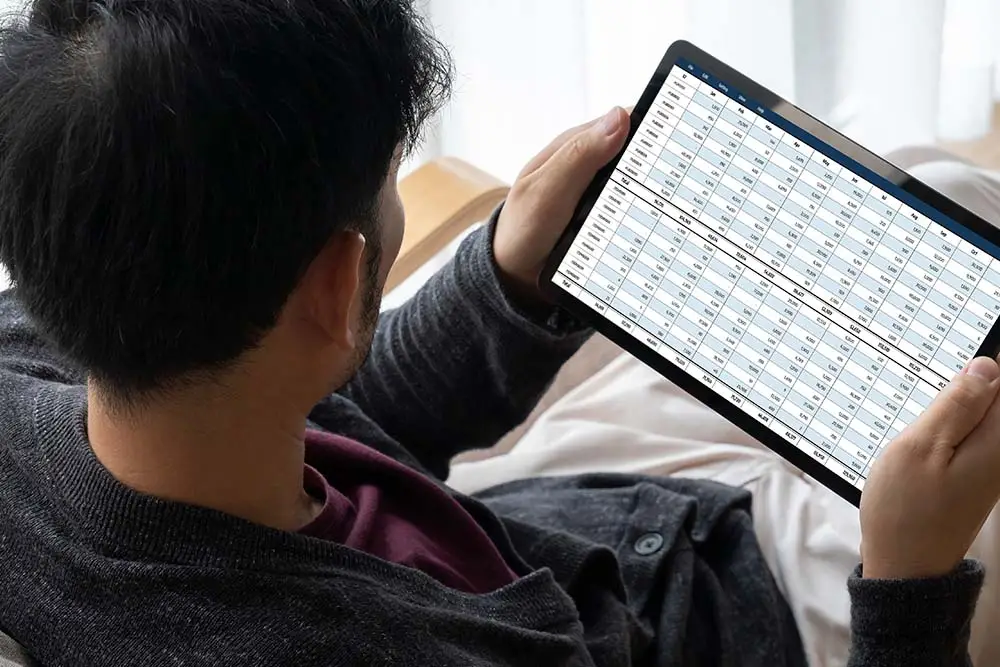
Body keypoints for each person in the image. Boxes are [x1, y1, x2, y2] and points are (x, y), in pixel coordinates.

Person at [0, 1, 995, 665]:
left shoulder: (29, 367)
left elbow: (329, 407)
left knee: (937, 197)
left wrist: (508, 275)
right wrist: (911, 576)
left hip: (544, 520)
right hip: (712, 618)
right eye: (388, 187)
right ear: (343, 280)